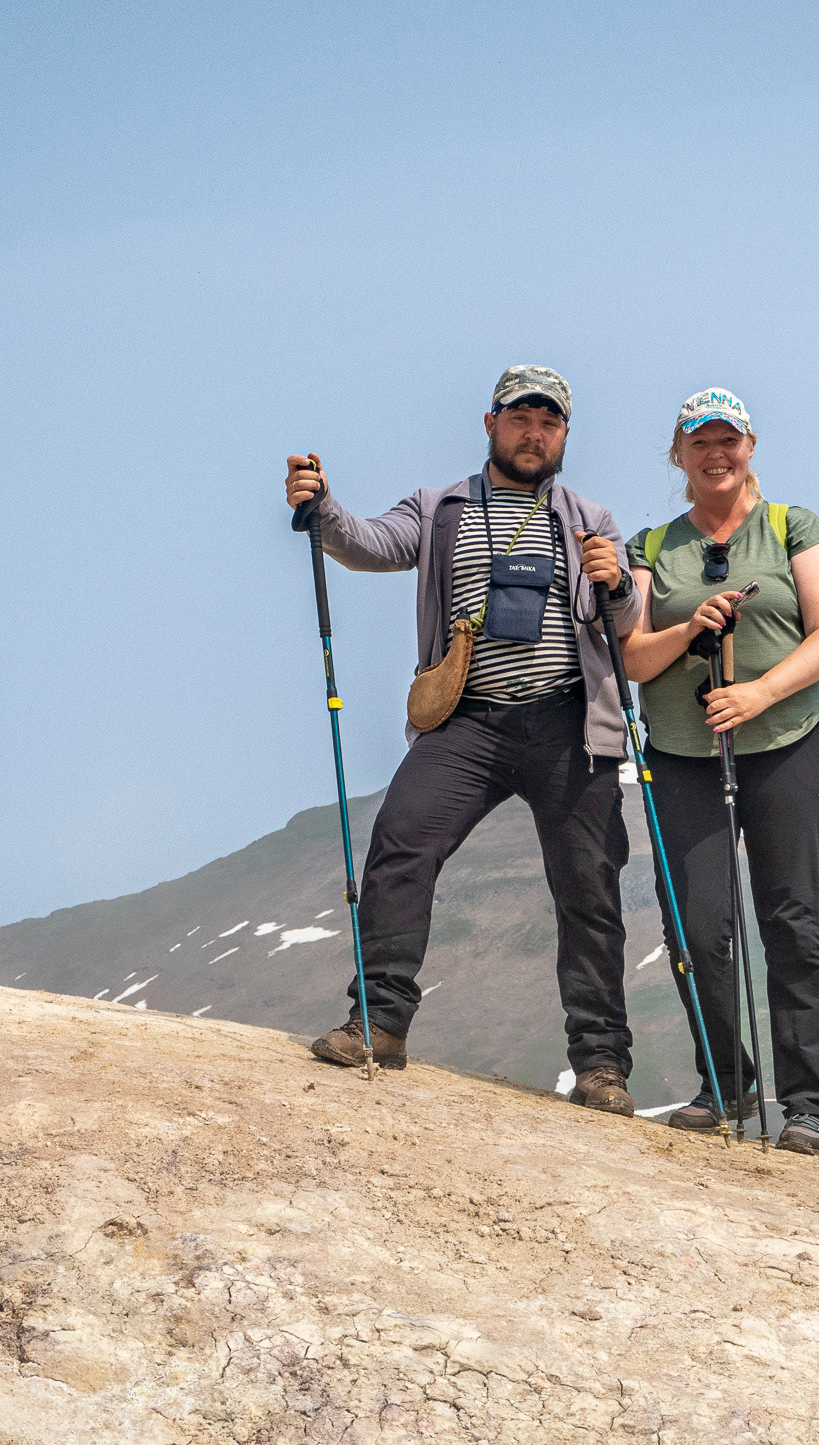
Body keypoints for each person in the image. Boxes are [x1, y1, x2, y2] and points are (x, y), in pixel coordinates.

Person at [281, 366, 645, 1113]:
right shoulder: (441, 507)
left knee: (590, 890)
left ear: (566, 435)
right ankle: (379, 1021)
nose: (533, 432)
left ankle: (602, 1065)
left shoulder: (592, 518)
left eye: (549, 421)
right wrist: (323, 508)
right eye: (520, 418)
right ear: (490, 424)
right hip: (465, 719)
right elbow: (371, 545)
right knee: (401, 841)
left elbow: (627, 618)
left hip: (566, 720)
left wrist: (617, 583)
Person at [616, 388, 819, 1155]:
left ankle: (809, 1102)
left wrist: (758, 692)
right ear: (678, 454)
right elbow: (634, 656)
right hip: (684, 755)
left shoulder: (793, 526)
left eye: (728, 439)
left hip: (788, 740)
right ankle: (726, 1079)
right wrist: (690, 627)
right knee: (698, 926)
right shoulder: (654, 543)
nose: (715, 453)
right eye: (699, 441)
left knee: (790, 917)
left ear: (750, 445)